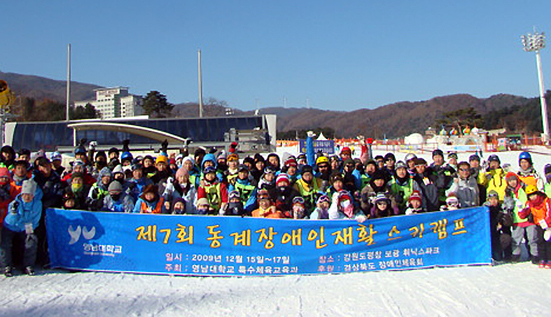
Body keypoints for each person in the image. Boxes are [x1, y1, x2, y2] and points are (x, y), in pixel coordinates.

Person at [1, 179, 42, 276]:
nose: (27, 197)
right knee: (5, 243)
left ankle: (28, 265)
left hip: (26, 228)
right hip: (11, 227)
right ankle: (6, 266)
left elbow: (35, 220)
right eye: (25, 194)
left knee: (31, 241)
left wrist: (26, 226)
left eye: (29, 195)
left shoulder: (37, 204)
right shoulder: (15, 203)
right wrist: (14, 213)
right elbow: (11, 220)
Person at [518, 185, 550, 265]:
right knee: (540, 241)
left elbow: (549, 213)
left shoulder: (546, 201)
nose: (533, 197)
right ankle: (542, 258)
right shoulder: (529, 203)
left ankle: (549, 259)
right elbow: (523, 215)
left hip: (548, 224)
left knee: (548, 242)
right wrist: (520, 209)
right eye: (530, 195)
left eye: (534, 194)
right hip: (539, 224)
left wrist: (547, 225)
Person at [503, 172, 529, 262]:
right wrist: (509, 197)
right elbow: (507, 206)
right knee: (516, 240)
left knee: (532, 238)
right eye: (510, 181)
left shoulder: (524, 188)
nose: (512, 182)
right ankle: (516, 256)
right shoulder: (508, 192)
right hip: (516, 219)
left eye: (514, 180)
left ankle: (535, 256)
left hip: (527, 217)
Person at [484, 190, 513, 261]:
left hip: (498, 235)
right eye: (491, 199)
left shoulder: (501, 209)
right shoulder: (485, 210)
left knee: (506, 237)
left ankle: (507, 255)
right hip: (488, 236)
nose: (493, 201)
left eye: (495, 199)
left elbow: (508, 225)